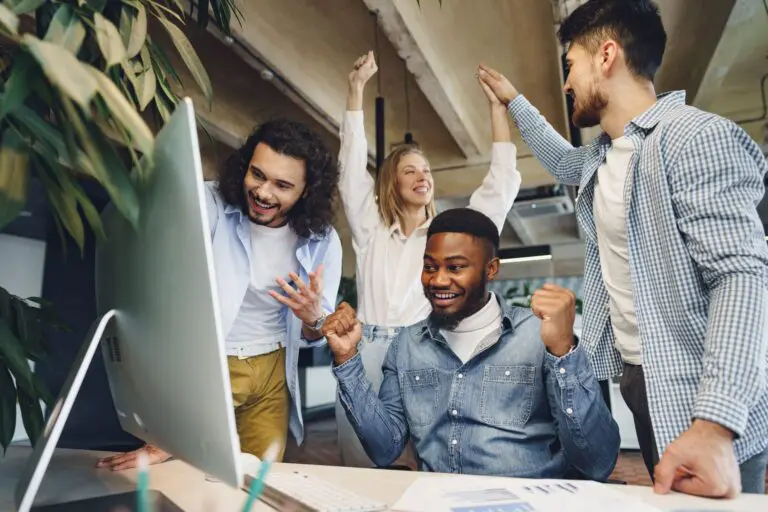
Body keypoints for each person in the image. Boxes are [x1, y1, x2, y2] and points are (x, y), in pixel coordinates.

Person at [478, 0, 768, 498]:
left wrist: (715, 423)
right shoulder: (604, 156)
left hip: (702, 389)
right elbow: (564, 161)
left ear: (606, 55)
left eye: (570, 66)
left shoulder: (692, 138)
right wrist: (513, 101)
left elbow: (741, 277)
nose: (566, 83)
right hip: (639, 375)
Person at [97, 118, 343, 470]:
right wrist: (167, 428)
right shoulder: (207, 205)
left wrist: (312, 318)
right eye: (257, 174)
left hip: (272, 373)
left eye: (282, 185)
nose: (263, 192)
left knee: (258, 482)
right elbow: (158, 289)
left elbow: (318, 332)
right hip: (211, 365)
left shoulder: (323, 241)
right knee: (187, 474)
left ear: (306, 191)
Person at [324, 208, 620, 479]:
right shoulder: (406, 345)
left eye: (455, 268)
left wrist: (564, 352)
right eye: (430, 267)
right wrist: (347, 359)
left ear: (491, 270)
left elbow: (598, 461)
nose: (438, 280)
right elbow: (384, 448)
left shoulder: (536, 335)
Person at [336, 51, 522, 467]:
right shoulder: (370, 228)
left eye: (427, 171)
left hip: (426, 349)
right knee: (360, 457)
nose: (424, 176)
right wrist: (355, 89)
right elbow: (349, 165)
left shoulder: (448, 237)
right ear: (390, 181)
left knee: (434, 459)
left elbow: (500, 186)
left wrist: (497, 112)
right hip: (369, 348)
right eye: (410, 171)